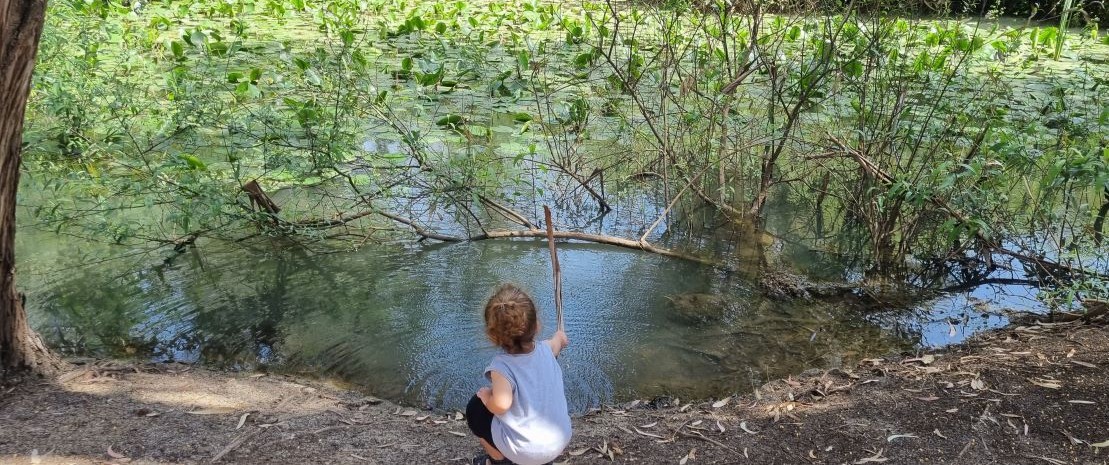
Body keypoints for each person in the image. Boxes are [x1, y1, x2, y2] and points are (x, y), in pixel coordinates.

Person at [466, 284, 571, 465]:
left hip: (526, 452)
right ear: (536, 325)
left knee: (475, 408)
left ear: (492, 336)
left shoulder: (501, 367)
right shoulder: (546, 349)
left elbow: (500, 404)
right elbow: (558, 342)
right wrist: (561, 337)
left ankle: (498, 460)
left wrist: (486, 398)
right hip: (558, 441)